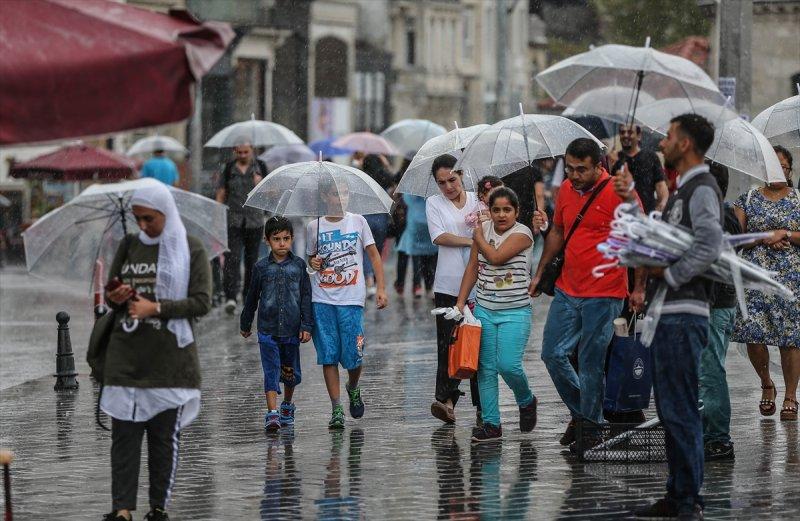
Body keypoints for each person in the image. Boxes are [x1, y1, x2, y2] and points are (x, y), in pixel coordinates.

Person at [621, 114, 723, 520]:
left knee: (680, 408)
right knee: (669, 409)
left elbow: (709, 244)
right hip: (668, 312)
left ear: (686, 144)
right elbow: (657, 236)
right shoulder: (681, 190)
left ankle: (689, 500)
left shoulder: (702, 187)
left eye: (670, 135)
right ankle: (677, 492)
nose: (662, 142)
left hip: (685, 312)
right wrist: (630, 199)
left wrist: (670, 274)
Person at [99, 182, 212, 521]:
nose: (143, 225)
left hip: (170, 360)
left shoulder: (190, 248)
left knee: (163, 439)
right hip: (126, 356)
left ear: (166, 212)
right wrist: (115, 297)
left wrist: (156, 309)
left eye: (149, 218)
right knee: (124, 438)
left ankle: (158, 508)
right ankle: (121, 509)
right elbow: (111, 295)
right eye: (138, 219)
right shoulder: (128, 245)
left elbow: (201, 302)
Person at [530, 138, 642, 447]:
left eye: (581, 169)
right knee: (552, 353)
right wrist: (539, 272)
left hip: (605, 291)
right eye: (569, 168)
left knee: (591, 362)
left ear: (598, 167)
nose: (574, 175)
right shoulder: (566, 189)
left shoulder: (620, 192)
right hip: (568, 288)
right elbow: (558, 231)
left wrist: (639, 287)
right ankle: (587, 417)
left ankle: (590, 428)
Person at [455, 187, 539, 442]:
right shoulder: (483, 231)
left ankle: (526, 399)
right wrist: (460, 303)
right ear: (489, 211)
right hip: (485, 310)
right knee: (486, 369)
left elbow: (496, 257)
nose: (502, 215)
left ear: (517, 211)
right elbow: (473, 267)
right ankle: (491, 424)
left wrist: (477, 236)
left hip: (515, 311)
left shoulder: (523, 233)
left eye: (507, 210)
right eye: (496, 210)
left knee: (508, 365)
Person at [307, 181, 388, 429]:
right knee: (328, 355)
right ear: (324, 196)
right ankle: (336, 409)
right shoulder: (313, 226)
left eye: (344, 192)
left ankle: (353, 386)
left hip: (352, 299)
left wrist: (381, 288)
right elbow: (310, 260)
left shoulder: (358, 222)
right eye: (335, 193)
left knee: (354, 355)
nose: (341, 197)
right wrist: (313, 262)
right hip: (322, 299)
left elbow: (374, 255)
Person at [732, 144, 799, 423]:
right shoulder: (747, 198)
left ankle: (791, 396)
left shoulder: (798, 198)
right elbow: (737, 236)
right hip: (755, 276)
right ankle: (766, 383)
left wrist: (785, 234)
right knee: (753, 333)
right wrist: (763, 237)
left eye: (782, 166)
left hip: (790, 277)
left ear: (790, 170)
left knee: (790, 336)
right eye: (772, 166)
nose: (778, 171)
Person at [240, 217, 313, 432]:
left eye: (286, 238)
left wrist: (306, 326)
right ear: (267, 241)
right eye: (276, 239)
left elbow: (306, 297)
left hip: (291, 329)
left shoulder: (299, 266)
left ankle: (287, 406)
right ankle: (272, 412)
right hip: (267, 329)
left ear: (292, 238)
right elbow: (252, 297)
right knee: (271, 370)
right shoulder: (261, 268)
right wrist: (246, 322)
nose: (282, 243)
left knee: (290, 372)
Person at [426, 154, 482, 424]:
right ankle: (446, 400)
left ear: (461, 175)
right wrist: (471, 241)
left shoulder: (478, 199)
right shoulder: (433, 203)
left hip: (481, 283)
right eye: (442, 182)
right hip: (448, 283)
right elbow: (439, 236)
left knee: (480, 345)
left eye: (452, 179)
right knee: (448, 343)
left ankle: (483, 404)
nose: (448, 186)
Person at [700, 162, 741, 461]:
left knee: (711, 371)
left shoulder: (719, 218)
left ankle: (717, 438)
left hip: (714, 306)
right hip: (719, 305)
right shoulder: (722, 214)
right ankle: (707, 433)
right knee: (707, 370)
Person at [215, 141, 269, 315]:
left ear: (252, 150)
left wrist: (261, 184)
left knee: (252, 261)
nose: (243, 155)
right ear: (235, 151)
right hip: (234, 220)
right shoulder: (229, 168)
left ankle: (248, 297)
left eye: (246, 152)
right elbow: (221, 192)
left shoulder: (260, 167)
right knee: (232, 258)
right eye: (240, 152)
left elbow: (271, 193)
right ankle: (231, 296)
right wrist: (217, 213)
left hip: (255, 220)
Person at [611, 124, 669, 214]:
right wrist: (611, 164)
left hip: (645, 213)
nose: (625, 135)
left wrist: (663, 201)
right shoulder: (616, 159)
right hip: (621, 213)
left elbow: (660, 184)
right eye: (622, 132)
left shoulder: (650, 157)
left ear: (639, 136)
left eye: (630, 132)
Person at [360, 154, 394, 297]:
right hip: (381, 219)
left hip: (365, 217)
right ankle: (374, 277)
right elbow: (395, 179)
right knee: (377, 250)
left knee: (366, 250)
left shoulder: (361, 177)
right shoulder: (384, 177)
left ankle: (369, 280)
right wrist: (386, 165)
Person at [395, 192, 437, 298]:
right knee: (430, 258)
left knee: (416, 257)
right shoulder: (434, 194)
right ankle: (429, 285)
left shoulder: (411, 193)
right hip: (430, 226)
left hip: (414, 226)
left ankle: (416, 285)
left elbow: (407, 200)